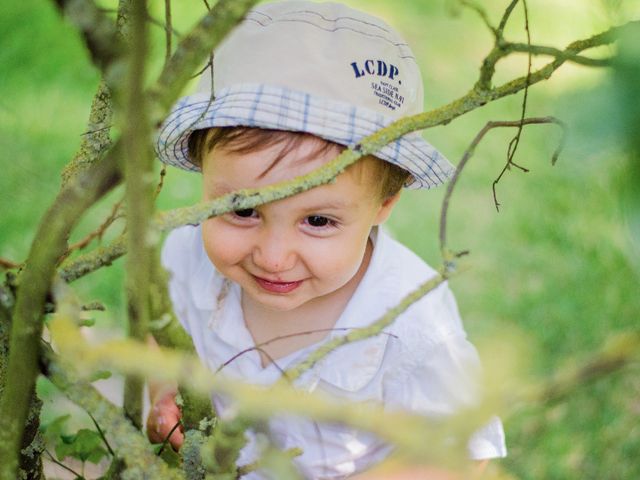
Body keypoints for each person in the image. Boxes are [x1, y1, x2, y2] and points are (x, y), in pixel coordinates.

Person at [149, 1, 507, 478]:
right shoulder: (184, 258)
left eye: (317, 221)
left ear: (384, 203)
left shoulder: (411, 321)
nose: (273, 258)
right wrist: (162, 391)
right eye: (242, 210)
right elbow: (161, 337)